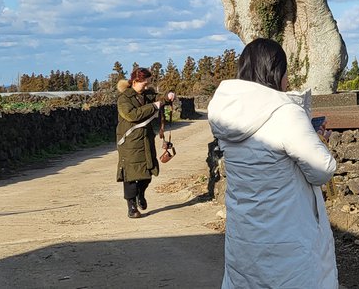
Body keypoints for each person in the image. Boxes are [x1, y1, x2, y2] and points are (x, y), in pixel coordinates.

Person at [207, 38, 339, 289]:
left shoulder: (226, 115)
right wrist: (318, 140)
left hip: (245, 232)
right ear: (276, 71)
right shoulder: (286, 112)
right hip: (287, 233)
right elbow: (322, 170)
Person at [116, 67, 176, 218]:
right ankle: (131, 207)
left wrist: (168, 96)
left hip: (146, 138)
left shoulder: (147, 94)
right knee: (130, 175)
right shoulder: (124, 99)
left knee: (148, 172)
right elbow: (132, 115)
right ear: (136, 81)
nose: (147, 86)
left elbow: (159, 98)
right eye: (145, 83)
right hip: (130, 141)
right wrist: (153, 106)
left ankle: (140, 194)